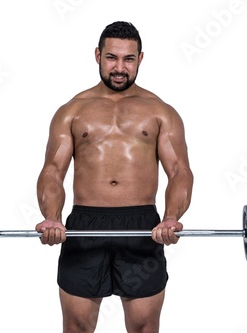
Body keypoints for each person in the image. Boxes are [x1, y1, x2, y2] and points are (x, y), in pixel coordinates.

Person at [35, 21, 194, 333]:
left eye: (128, 59)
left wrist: (172, 218)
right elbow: (53, 171)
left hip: (143, 226)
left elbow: (179, 172)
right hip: (85, 225)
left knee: (144, 327)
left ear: (140, 59)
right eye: (112, 58)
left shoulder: (160, 111)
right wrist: (52, 218)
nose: (119, 68)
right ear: (97, 55)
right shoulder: (71, 111)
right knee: (77, 327)